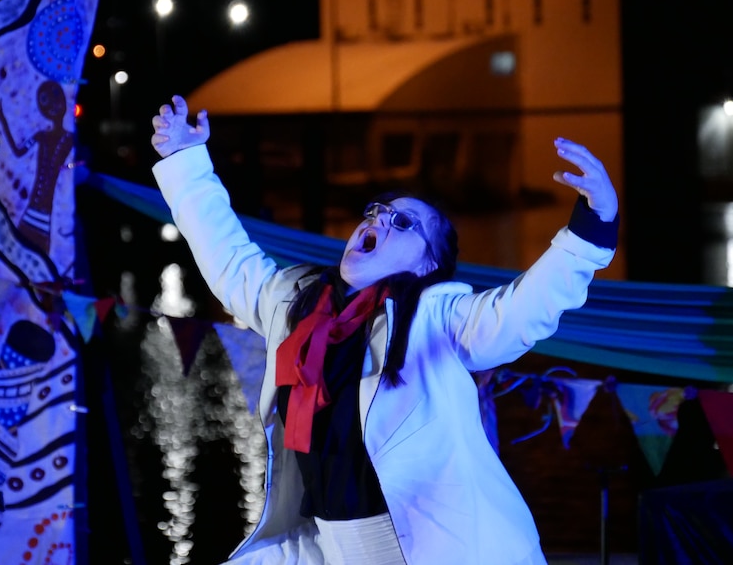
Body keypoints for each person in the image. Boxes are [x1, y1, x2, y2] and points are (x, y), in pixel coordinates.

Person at [150, 95, 619, 565]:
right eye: (376, 212)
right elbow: (230, 259)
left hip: (446, 549)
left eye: (403, 222)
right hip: (329, 545)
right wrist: (186, 161)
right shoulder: (297, 301)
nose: (377, 221)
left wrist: (593, 225)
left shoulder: (440, 316)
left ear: (428, 263)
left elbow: (522, 310)